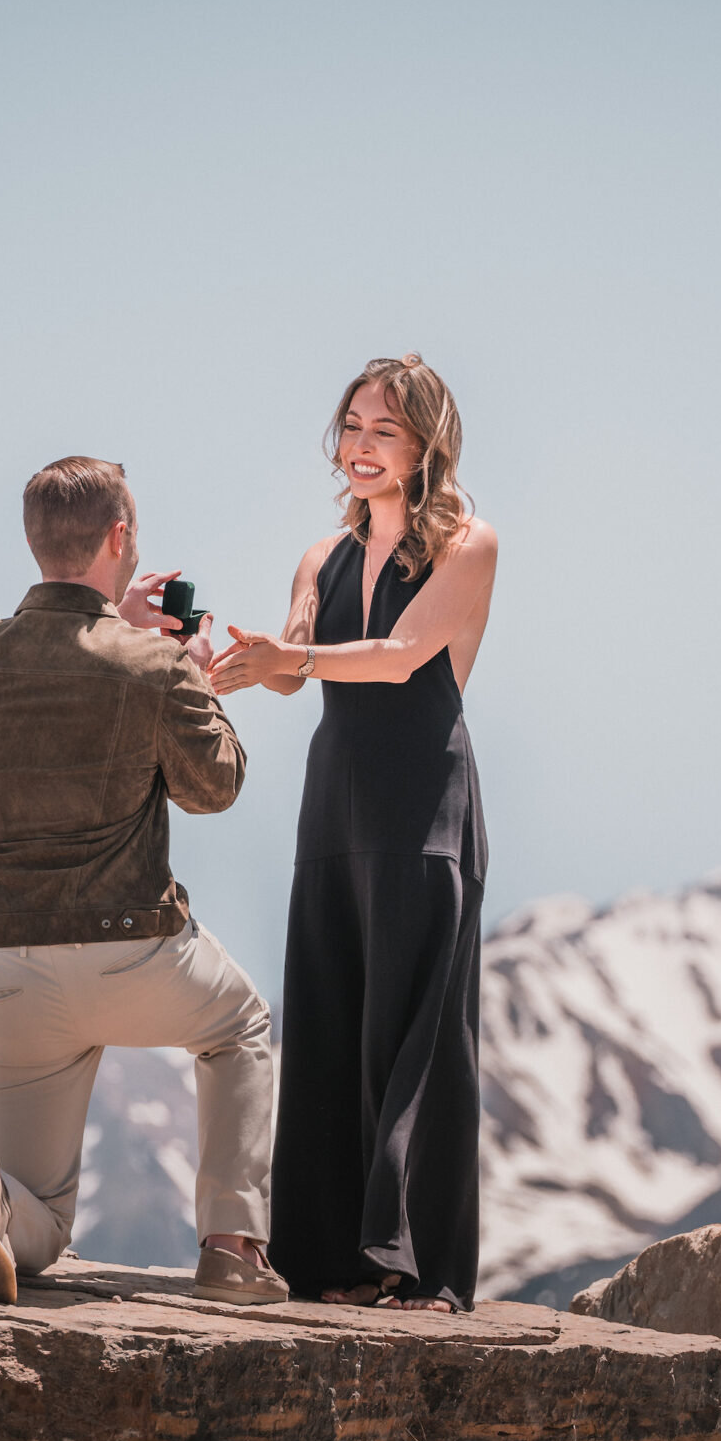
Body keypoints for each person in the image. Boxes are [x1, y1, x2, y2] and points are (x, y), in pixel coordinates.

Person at [0, 455, 286, 1308]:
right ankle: (233, 1252)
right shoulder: (153, 670)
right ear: (120, 536)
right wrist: (191, 671)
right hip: (130, 955)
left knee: (44, 1220)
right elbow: (217, 786)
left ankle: (0, 1214)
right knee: (240, 1028)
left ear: (34, 538)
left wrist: (108, 622)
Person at [210, 355, 498, 1312]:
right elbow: (299, 670)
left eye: (384, 430)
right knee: (332, 1018)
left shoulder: (470, 544)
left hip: (422, 804)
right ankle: (331, 1263)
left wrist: (293, 656)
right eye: (353, 426)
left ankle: (421, 1271)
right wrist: (246, 658)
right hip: (333, 805)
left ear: (425, 447)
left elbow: (403, 654)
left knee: (415, 1036)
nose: (362, 446)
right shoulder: (320, 557)